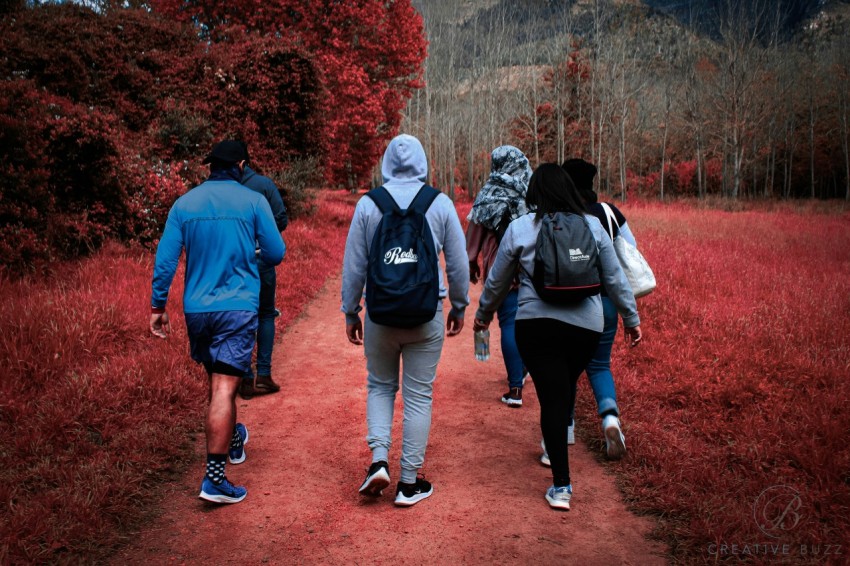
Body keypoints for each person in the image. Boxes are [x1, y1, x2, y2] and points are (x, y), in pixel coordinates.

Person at [473, 163, 641, 511]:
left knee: (553, 398)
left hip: (537, 327)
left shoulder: (521, 228)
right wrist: (631, 318)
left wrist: (483, 316)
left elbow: (498, 281)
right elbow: (614, 277)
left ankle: (562, 486)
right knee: (561, 390)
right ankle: (562, 454)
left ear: (534, 194)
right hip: (586, 329)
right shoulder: (592, 225)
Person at [150, 140, 285, 505]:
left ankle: (234, 439)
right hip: (237, 307)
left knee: (217, 380)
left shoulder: (184, 204)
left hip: (197, 310)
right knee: (225, 387)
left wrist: (158, 305)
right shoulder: (253, 201)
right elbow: (276, 252)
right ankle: (214, 479)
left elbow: (166, 260)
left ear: (211, 166)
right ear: (240, 165)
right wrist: (250, 255)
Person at [341, 134, 469, 507]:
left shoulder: (369, 204)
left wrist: (351, 310)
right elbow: (458, 263)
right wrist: (459, 306)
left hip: (380, 315)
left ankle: (379, 461)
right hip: (426, 314)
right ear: (422, 162)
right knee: (418, 395)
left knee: (380, 387)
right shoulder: (439, 203)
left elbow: (354, 264)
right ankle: (409, 483)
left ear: (386, 163)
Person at [466, 145, 530, 407]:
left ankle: (515, 389)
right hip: (532, 266)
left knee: (509, 323)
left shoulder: (488, 194)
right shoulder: (531, 191)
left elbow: (474, 235)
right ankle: (525, 367)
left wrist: (472, 262)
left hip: (501, 267)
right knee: (532, 321)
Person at [235, 141, 289, 400]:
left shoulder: (225, 190)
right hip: (262, 258)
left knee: (242, 314)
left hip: (235, 260)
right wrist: (264, 234)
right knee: (266, 313)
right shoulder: (264, 185)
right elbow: (282, 219)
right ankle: (264, 374)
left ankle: (246, 377)